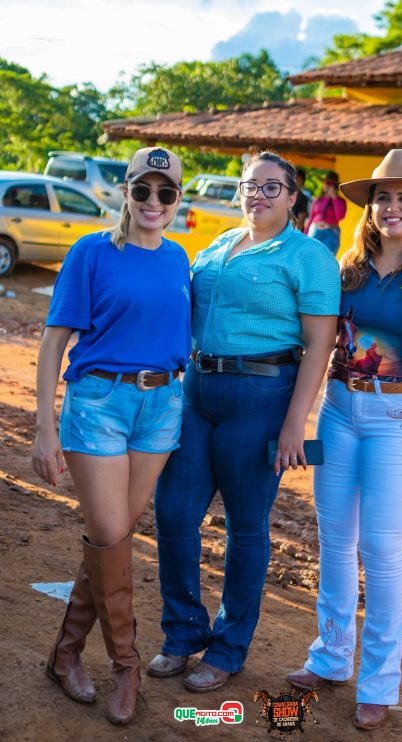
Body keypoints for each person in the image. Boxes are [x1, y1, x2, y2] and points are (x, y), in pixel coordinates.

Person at [286, 149, 402, 731]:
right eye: (383, 197)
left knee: (382, 552)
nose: (392, 207)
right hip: (339, 411)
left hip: (398, 420)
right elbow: (319, 343)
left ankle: (379, 683)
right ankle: (332, 657)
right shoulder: (348, 267)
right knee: (335, 541)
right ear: (371, 209)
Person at [147, 151, 341, 693]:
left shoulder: (307, 256)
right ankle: (183, 634)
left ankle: (228, 648)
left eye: (271, 188)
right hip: (196, 391)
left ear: (293, 197)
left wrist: (294, 425)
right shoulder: (214, 247)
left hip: (262, 395)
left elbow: (320, 342)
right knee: (174, 514)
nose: (257, 195)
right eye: (249, 186)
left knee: (245, 527)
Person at [31, 147, 191, 726]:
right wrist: (45, 429)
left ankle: (65, 653)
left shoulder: (179, 260)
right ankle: (127, 667)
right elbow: (53, 343)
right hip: (99, 402)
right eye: (143, 190)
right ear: (126, 191)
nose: (153, 202)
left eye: (165, 193)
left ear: (177, 201)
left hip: (162, 406)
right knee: (108, 533)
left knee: (113, 538)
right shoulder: (91, 253)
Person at [304, 170, 347, 255]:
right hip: (315, 230)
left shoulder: (341, 201)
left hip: (331, 232)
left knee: (328, 258)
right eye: (326, 183)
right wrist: (304, 235)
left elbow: (340, 217)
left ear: (335, 186)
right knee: (310, 255)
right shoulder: (317, 200)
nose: (327, 185)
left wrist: (334, 198)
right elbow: (311, 218)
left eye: (330, 184)